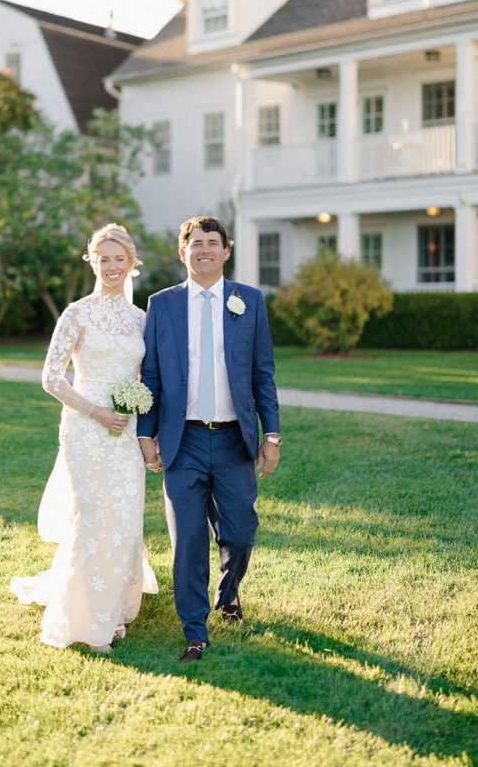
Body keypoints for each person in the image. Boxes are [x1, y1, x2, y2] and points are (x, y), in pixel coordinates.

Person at [138, 215, 280, 662]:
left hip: (235, 438)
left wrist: (271, 434)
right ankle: (194, 630)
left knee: (240, 533)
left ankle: (228, 593)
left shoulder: (248, 301)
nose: (204, 250)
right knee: (188, 543)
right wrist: (146, 433)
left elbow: (262, 373)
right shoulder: (161, 304)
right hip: (184, 441)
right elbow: (154, 375)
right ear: (183, 252)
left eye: (212, 243)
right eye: (195, 243)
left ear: (226, 250)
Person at [10, 223, 157, 652]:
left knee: (125, 515)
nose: (112, 267)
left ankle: (113, 604)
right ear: (93, 261)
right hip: (85, 426)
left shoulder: (140, 320)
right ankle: (87, 617)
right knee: (92, 516)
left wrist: (136, 415)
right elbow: (51, 377)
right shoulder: (76, 313)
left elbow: (146, 376)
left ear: (131, 264)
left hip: (125, 430)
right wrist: (96, 411)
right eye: (103, 259)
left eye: (119, 259)